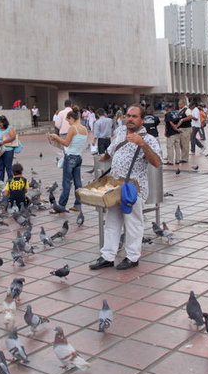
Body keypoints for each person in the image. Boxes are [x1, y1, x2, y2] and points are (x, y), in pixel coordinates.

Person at [89, 105, 162, 271]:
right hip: (115, 187)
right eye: (128, 115)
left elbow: (156, 162)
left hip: (133, 189)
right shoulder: (121, 131)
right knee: (112, 222)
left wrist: (142, 144)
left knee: (133, 224)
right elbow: (112, 148)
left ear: (142, 120)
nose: (130, 119)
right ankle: (107, 256)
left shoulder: (149, 139)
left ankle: (133, 257)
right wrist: (104, 157)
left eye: (134, 116)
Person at [49, 108, 88, 213]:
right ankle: (78, 205)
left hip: (70, 157)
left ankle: (61, 205)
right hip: (78, 157)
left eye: (68, 120)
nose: (68, 123)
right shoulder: (84, 129)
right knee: (78, 182)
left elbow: (66, 143)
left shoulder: (73, 128)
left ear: (71, 118)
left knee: (66, 182)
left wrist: (56, 137)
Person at [0, 115, 17, 181]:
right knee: (0, 167)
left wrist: (3, 142)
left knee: (8, 167)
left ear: (4, 122)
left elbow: (13, 137)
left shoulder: (10, 128)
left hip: (8, 150)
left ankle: (10, 181)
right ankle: (0, 181)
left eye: (0, 123)